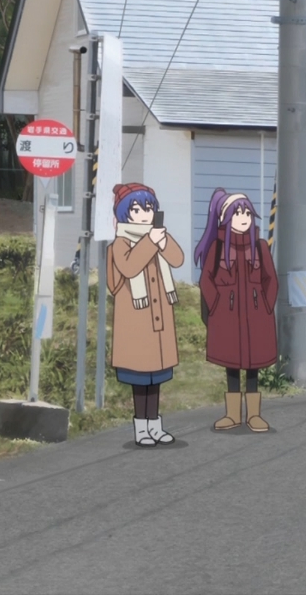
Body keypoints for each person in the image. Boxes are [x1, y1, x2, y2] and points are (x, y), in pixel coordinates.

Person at [195, 188, 279, 432]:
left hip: (256, 316)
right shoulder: (218, 248)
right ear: (226, 218)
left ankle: (254, 415)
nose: (244, 218)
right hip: (228, 316)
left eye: (247, 213)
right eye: (238, 213)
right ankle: (232, 415)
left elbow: (271, 279)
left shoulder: (260, 247)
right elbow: (206, 280)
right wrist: (217, 305)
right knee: (231, 363)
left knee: (253, 366)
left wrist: (265, 305)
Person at [107, 183, 185, 447]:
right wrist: (151, 242)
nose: (144, 214)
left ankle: (155, 426)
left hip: (159, 325)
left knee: (156, 380)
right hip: (135, 325)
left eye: (149, 208)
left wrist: (162, 241)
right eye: (136, 209)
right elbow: (129, 267)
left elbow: (177, 259)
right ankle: (141, 428)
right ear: (124, 214)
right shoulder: (120, 243)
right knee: (139, 381)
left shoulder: (157, 236)